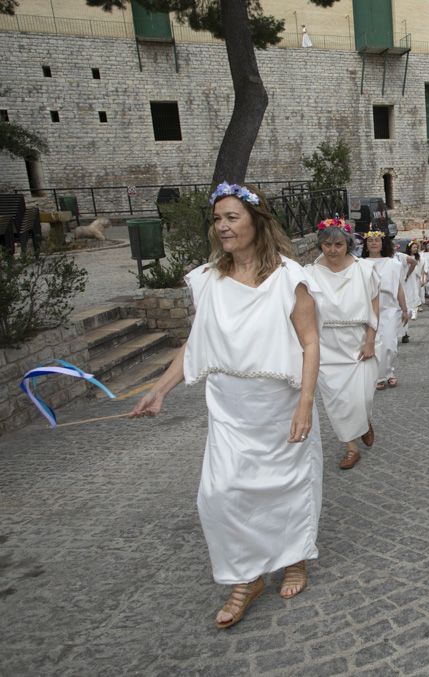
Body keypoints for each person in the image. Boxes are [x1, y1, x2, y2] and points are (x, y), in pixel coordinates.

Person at [129, 182, 322, 629]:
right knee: (218, 496)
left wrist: (306, 405)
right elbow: (197, 344)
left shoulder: (289, 277)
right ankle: (245, 578)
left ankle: (294, 559)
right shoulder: (209, 279)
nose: (223, 226)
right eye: (217, 219)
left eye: (232, 217)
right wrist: (160, 390)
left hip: (279, 403)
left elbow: (310, 344)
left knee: (286, 487)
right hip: (228, 408)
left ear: (257, 221)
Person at [305, 219, 378, 471]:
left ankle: (364, 421)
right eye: (327, 244)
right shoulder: (309, 273)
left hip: (357, 340)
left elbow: (374, 303)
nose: (332, 250)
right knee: (336, 400)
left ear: (347, 244)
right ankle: (350, 447)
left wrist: (371, 339)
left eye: (338, 244)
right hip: (326, 345)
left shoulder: (364, 269)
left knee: (363, 397)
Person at [362, 230, 408, 389]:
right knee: (373, 343)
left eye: (377, 240)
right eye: (370, 241)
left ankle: (389, 371)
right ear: (366, 245)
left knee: (389, 343)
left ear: (382, 244)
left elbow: (399, 287)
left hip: (389, 308)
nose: (374, 243)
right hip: (368, 309)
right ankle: (379, 376)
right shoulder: (360, 264)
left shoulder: (393, 264)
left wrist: (404, 309)